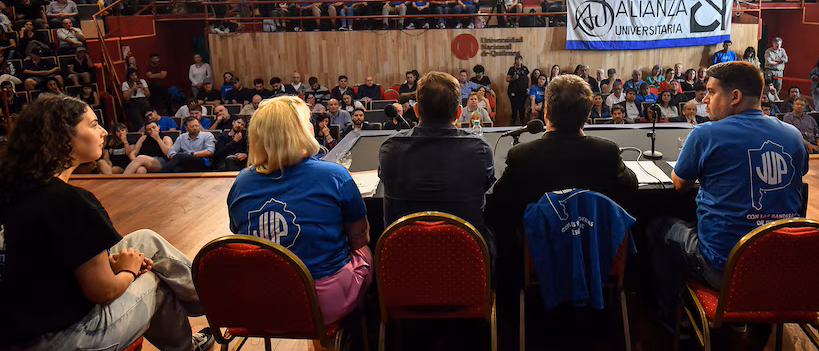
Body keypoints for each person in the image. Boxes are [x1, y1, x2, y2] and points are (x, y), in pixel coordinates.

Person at [0, 96, 213, 351]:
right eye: (92, 125)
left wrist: (110, 263)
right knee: (156, 281)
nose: (103, 132)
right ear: (62, 136)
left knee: (145, 239)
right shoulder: (70, 201)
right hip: (62, 338)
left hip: (18, 329)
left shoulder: (19, 188)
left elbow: (48, 261)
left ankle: (213, 300)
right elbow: (104, 292)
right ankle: (205, 326)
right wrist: (129, 270)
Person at [649, 61, 808, 330]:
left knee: (658, 227)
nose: (706, 100)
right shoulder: (793, 135)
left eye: (711, 92)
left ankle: (670, 317)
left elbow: (680, 184)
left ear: (734, 96)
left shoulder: (706, 133)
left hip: (724, 268)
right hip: (779, 267)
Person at [227, 96, 372, 326]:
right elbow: (359, 238)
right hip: (320, 304)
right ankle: (361, 333)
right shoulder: (334, 175)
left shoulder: (241, 182)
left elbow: (242, 239)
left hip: (262, 301)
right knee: (365, 252)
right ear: (303, 131)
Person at [488, 73, 638, 280]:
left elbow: (499, 202)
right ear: (587, 116)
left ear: (546, 111)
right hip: (593, 250)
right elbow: (631, 187)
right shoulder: (606, 151)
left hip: (540, 253)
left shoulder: (522, 155)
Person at [378, 71, 496, 242]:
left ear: (416, 110)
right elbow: (486, 185)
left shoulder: (390, 149)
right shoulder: (480, 149)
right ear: (459, 113)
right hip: (466, 257)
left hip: (404, 257)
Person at [506, 54, 530, 125]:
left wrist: (529, 88)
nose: (518, 61)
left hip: (523, 91)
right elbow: (507, 79)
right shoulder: (511, 69)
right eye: (517, 60)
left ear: (522, 61)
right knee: (514, 106)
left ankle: (522, 120)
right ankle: (513, 120)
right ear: (515, 61)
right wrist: (513, 78)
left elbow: (529, 79)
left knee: (522, 106)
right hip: (513, 91)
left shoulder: (525, 69)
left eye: (520, 60)